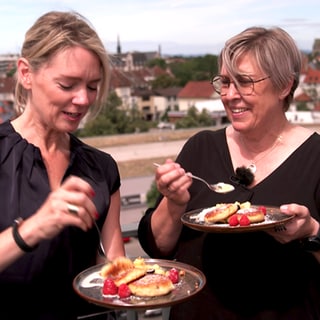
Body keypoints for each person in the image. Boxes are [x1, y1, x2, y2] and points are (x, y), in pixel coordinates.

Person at [138, 26, 320, 320]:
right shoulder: (202, 147)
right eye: (224, 82)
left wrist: (312, 233)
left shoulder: (315, 158)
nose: (230, 95)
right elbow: (157, 245)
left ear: (284, 86)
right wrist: (173, 204)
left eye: (244, 82)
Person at [0, 11, 125, 319]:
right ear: (26, 73)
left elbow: (113, 265)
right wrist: (35, 226)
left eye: (93, 86)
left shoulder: (102, 167)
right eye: (67, 84)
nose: (83, 99)